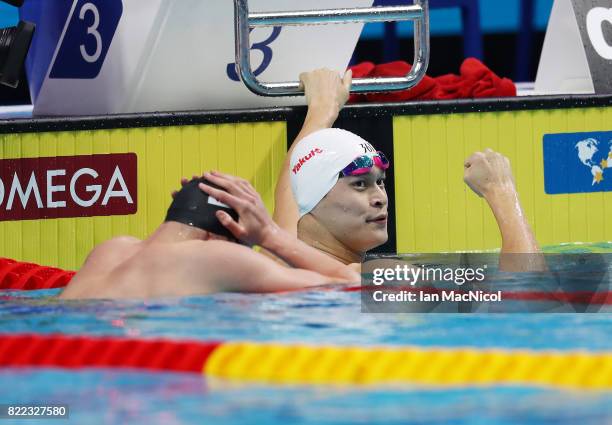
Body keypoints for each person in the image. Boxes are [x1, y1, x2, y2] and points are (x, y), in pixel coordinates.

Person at [271, 69, 541, 271]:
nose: (381, 198)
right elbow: (529, 301)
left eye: (380, 182)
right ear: (313, 201)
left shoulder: (276, 258)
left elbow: (293, 185)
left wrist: (322, 109)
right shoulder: (377, 277)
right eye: (360, 184)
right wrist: (502, 192)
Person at [59, 172, 359, 300]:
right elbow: (353, 286)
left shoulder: (111, 250)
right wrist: (268, 234)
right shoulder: (212, 257)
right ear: (225, 232)